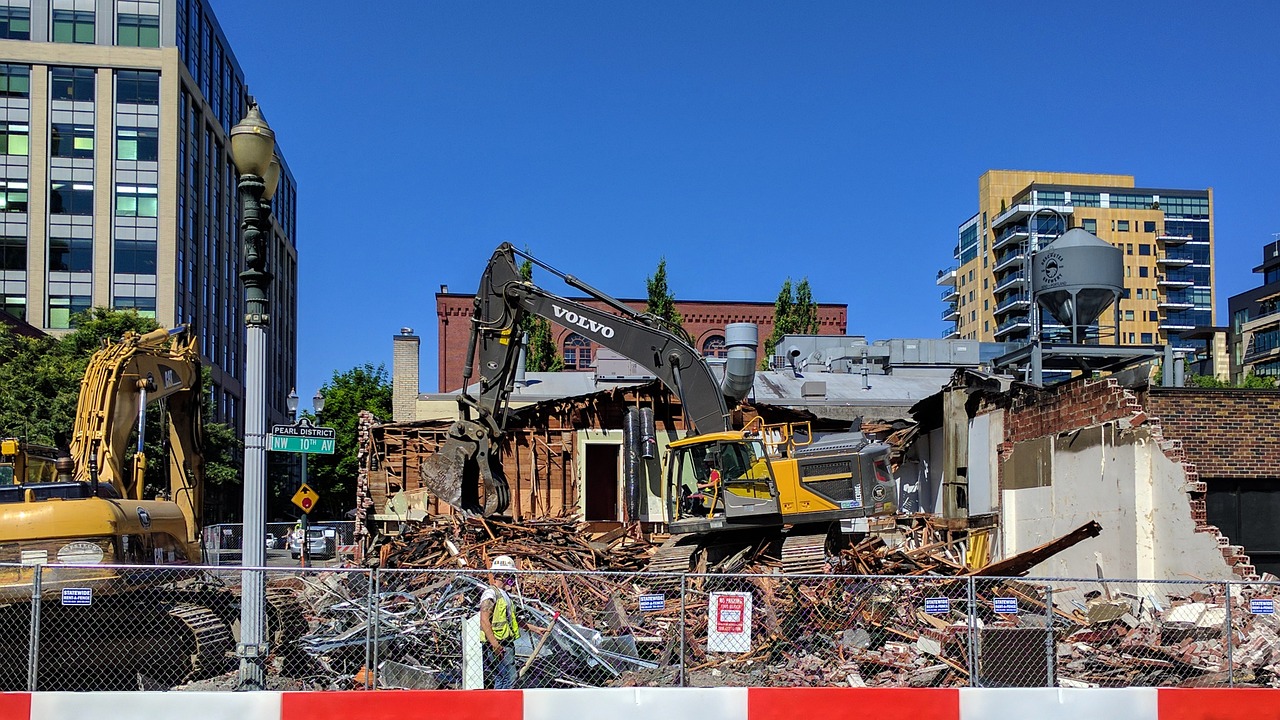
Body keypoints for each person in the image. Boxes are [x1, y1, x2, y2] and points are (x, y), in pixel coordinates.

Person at [479, 555, 544, 689]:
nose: (512, 579)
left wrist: (534, 628)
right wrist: (495, 644)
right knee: (508, 678)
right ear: (503, 575)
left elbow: (512, 619)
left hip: (504, 642)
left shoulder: (504, 594)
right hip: (498, 643)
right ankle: (503, 707)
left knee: (502, 678)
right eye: (510, 575)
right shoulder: (490, 594)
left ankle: (499, 706)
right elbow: (484, 620)